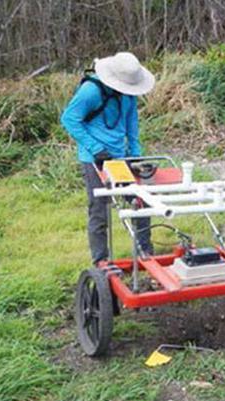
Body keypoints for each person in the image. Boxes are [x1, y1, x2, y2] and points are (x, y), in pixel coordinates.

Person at [61, 52, 155, 264]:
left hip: (120, 158)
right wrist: (96, 148)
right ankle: (100, 260)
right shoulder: (90, 92)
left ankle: (146, 252)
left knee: (142, 200)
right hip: (94, 159)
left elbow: (132, 126)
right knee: (100, 210)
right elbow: (69, 119)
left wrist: (136, 156)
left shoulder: (129, 94)